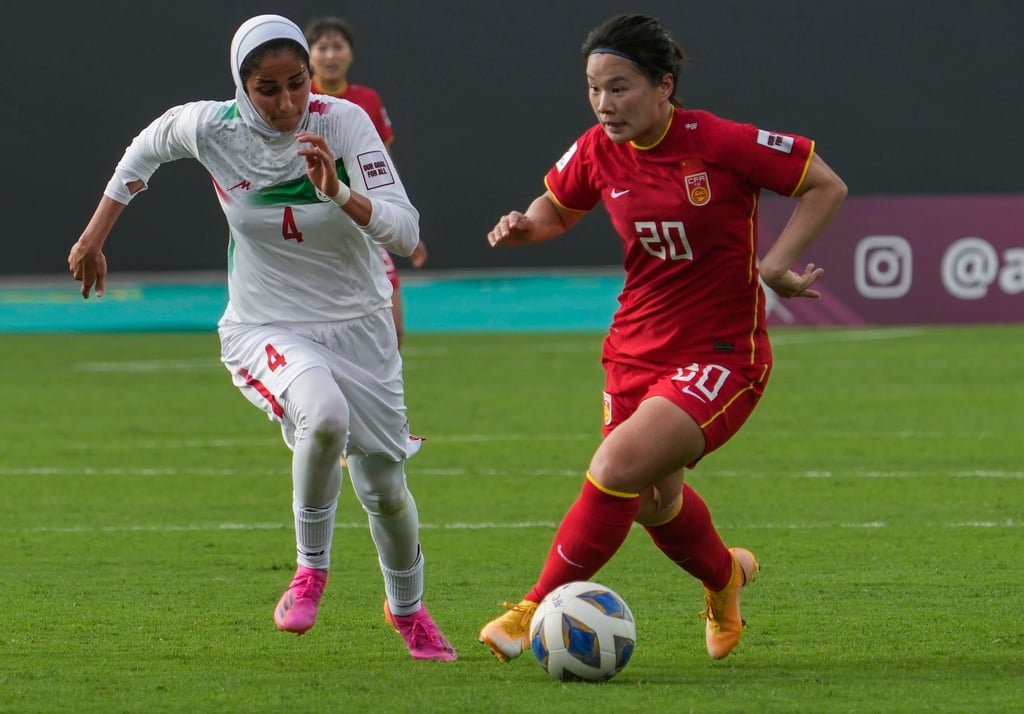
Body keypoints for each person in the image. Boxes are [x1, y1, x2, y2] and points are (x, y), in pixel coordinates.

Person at [67, 14, 456, 662]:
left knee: (384, 487)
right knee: (323, 417)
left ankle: (407, 610)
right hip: (266, 322)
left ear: (312, 76)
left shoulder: (343, 122)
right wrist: (94, 235)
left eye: (296, 84)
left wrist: (340, 192)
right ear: (240, 86)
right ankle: (311, 571)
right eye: (267, 88)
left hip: (360, 322)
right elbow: (145, 151)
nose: (285, 103)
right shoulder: (212, 127)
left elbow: (408, 233)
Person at [478, 14, 847, 663]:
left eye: (618, 88)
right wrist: (523, 226)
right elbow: (557, 207)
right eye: (594, 88)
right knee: (651, 502)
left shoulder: (720, 142)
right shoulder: (597, 147)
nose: (604, 104)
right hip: (632, 349)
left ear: (663, 86)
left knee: (616, 467)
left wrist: (772, 267)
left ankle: (534, 605)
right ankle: (724, 577)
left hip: (721, 352)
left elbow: (825, 184)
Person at [305, 15, 428, 350]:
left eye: (337, 47)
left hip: (362, 218)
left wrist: (403, 225)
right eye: (322, 47)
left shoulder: (367, 101)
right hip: (313, 224)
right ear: (309, 55)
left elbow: (383, 167)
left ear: (351, 54)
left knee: (394, 327)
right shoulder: (298, 100)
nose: (330, 56)